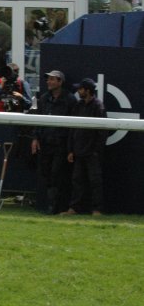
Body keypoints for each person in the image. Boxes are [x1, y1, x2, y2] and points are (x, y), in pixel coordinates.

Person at [31, 70, 77, 214]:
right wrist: (35, 138)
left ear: (60, 82)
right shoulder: (44, 99)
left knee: (57, 175)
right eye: (48, 79)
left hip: (61, 145)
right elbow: (38, 120)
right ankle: (51, 206)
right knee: (46, 175)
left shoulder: (70, 100)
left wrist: (70, 148)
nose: (48, 82)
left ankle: (56, 207)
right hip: (45, 143)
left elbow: (73, 127)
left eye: (52, 79)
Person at [62, 78, 107, 216]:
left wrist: (95, 150)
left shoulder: (98, 106)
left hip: (91, 152)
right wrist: (70, 150)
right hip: (78, 151)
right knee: (77, 181)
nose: (78, 91)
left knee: (95, 182)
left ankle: (97, 209)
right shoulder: (78, 105)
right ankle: (74, 208)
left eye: (81, 89)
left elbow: (102, 132)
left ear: (87, 90)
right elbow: (72, 128)